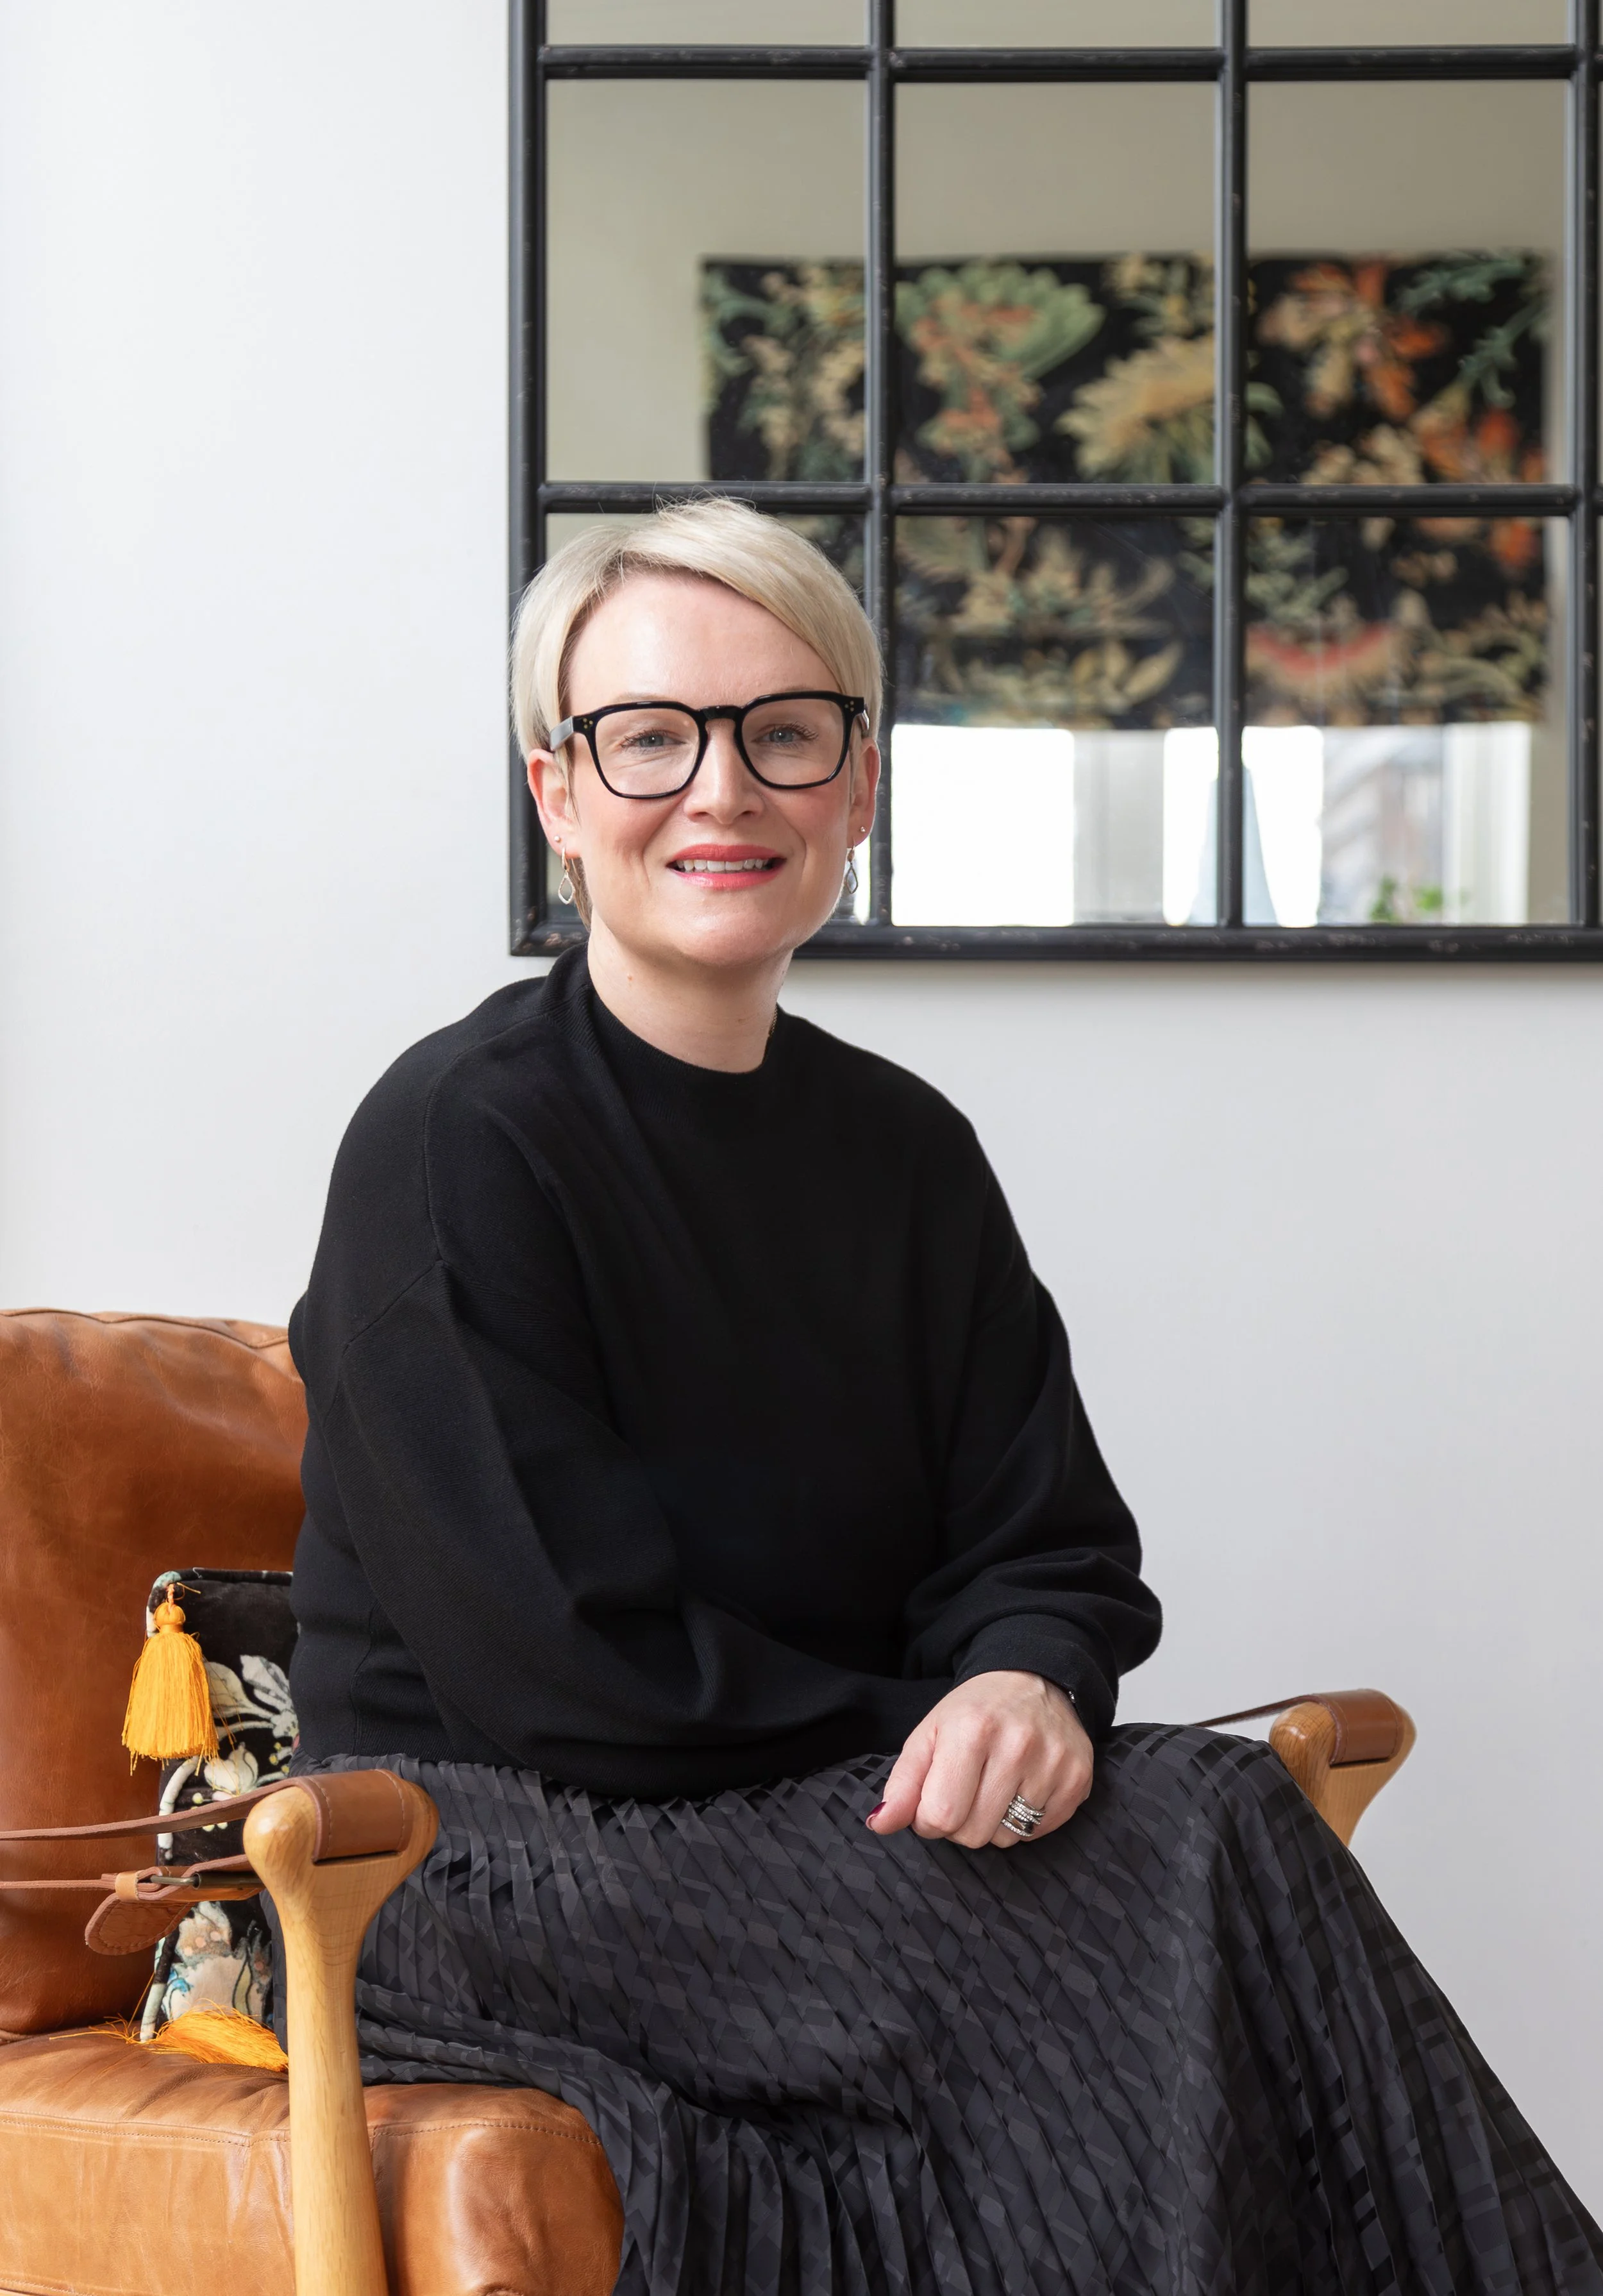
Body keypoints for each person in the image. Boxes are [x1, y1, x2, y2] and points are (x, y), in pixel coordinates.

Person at [283, 499, 1602, 2296]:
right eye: (650, 736)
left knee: (1192, 1830)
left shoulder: (904, 1153)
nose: (721, 789)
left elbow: (1048, 1538)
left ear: (857, 788)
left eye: (784, 731)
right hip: (479, 1857)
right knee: (1191, 1835)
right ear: (560, 799)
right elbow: (562, 1671)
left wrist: (1026, 1679)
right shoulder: (453, 1143)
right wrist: (941, 1731)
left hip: (818, 1822)